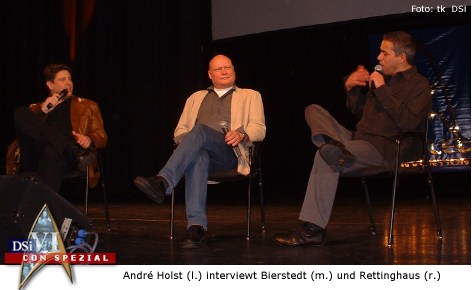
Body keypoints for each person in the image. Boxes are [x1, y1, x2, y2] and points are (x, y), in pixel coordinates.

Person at [274, 31, 431, 247]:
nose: (378, 57)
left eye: (384, 53)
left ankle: (312, 231)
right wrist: (351, 90)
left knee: (325, 157)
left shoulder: (419, 85)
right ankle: (335, 147)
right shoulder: (383, 81)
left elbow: (408, 122)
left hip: (384, 147)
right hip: (357, 140)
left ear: (401, 57)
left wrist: (382, 89)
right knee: (314, 110)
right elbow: (362, 113)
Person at [134, 54, 266, 249]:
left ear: (234, 70)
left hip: (231, 154)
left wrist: (241, 134)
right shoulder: (196, 98)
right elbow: (179, 132)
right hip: (201, 152)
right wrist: (188, 142)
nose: (224, 71)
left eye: (227, 67)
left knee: (200, 130)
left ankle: (163, 182)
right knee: (198, 155)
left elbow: (259, 128)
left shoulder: (251, 95)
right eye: (219, 69)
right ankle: (196, 227)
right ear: (210, 75)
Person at [7, 63, 108, 193]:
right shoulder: (36, 108)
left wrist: (89, 139)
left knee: (51, 151)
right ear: (50, 85)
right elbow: (26, 134)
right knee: (20, 112)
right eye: (62, 79)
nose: (68, 83)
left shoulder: (88, 106)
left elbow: (102, 136)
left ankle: (46, 209)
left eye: (70, 79)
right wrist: (43, 111)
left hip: (66, 159)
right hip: (35, 156)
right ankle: (64, 144)